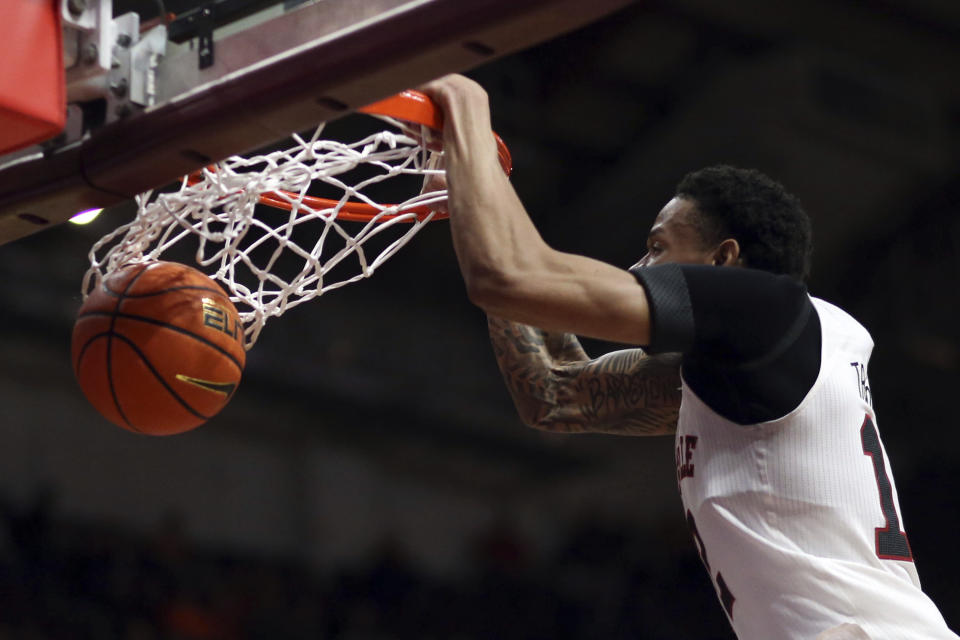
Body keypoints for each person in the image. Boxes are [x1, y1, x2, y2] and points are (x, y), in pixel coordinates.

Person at [419, 74, 958, 640]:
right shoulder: (764, 360)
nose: (638, 270)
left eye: (657, 247)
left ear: (723, 259)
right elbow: (555, 393)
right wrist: (471, 190)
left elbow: (509, 275)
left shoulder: (766, 312)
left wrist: (465, 108)